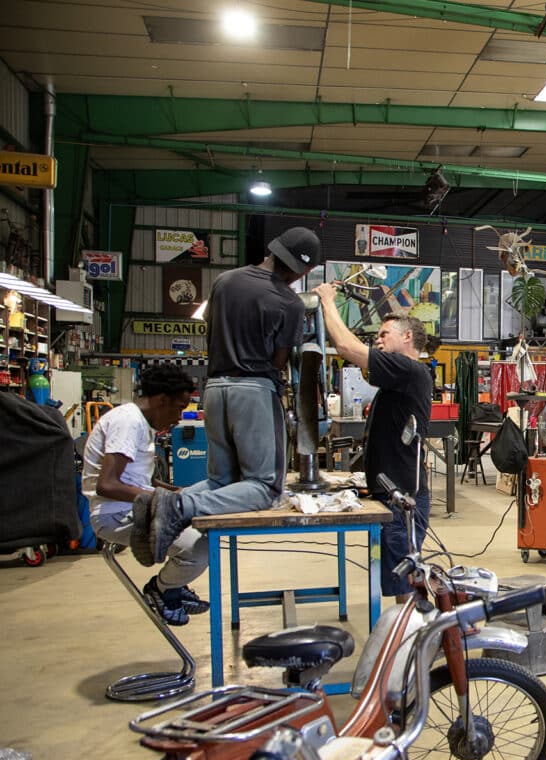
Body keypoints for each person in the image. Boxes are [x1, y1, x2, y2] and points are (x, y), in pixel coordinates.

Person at [134, 226, 321, 565]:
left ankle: (151, 505)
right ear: (300, 269)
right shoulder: (289, 302)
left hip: (215, 388)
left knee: (221, 481)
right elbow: (278, 361)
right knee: (264, 488)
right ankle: (178, 506)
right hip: (253, 391)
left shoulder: (225, 281)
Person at [315, 282, 432, 603]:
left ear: (407, 337)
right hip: (392, 493)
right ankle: (411, 641)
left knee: (405, 587)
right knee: (402, 581)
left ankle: (412, 645)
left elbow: (347, 348)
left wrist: (327, 300)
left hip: (402, 498)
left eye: (384, 334)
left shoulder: (409, 368)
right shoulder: (401, 375)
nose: (377, 340)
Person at [83, 365, 209, 626]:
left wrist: (178, 492)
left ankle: (174, 585)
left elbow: (141, 480)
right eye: (178, 407)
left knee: (201, 516)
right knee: (200, 548)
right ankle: (163, 590)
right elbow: (107, 485)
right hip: (115, 514)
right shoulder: (128, 422)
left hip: (130, 507)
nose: (178, 417)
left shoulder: (140, 422)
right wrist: (165, 501)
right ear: (161, 400)